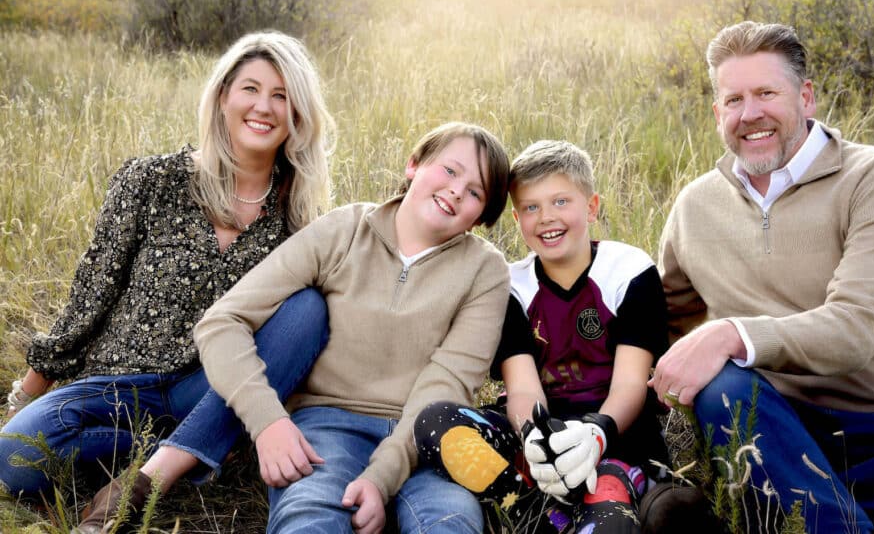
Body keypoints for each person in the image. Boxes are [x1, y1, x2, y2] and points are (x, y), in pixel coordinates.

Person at [647, 20, 874, 532]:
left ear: (806, 97)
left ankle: (779, 512)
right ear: (718, 113)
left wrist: (732, 332)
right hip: (769, 433)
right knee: (723, 385)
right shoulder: (695, 206)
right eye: (733, 100)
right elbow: (660, 325)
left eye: (765, 93)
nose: (750, 113)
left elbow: (855, 328)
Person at [0, 31, 335, 531]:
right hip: (116, 382)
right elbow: (92, 292)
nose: (264, 106)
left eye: (282, 95)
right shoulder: (151, 180)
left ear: (297, 115)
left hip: (211, 384)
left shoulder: (299, 221)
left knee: (309, 307)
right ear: (223, 96)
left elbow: (294, 336)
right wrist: (30, 391)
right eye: (251, 88)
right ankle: (202, 445)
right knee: (12, 458)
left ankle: (152, 475)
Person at [190, 121, 511, 534]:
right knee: (307, 516)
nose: (456, 190)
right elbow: (223, 320)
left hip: (428, 438)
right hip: (328, 425)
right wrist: (267, 421)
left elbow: (446, 381)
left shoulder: (484, 271)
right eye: (450, 171)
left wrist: (381, 477)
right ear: (414, 165)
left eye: (475, 192)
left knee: (452, 521)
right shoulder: (344, 230)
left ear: (480, 216)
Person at [415, 140, 670, 534]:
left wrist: (597, 433)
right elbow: (522, 388)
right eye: (531, 207)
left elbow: (632, 383)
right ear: (517, 219)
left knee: (609, 525)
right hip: (541, 439)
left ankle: (616, 491)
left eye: (560, 202)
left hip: (613, 438)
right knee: (434, 422)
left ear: (592, 206)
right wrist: (533, 436)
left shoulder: (629, 271)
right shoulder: (511, 285)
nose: (546, 218)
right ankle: (531, 510)